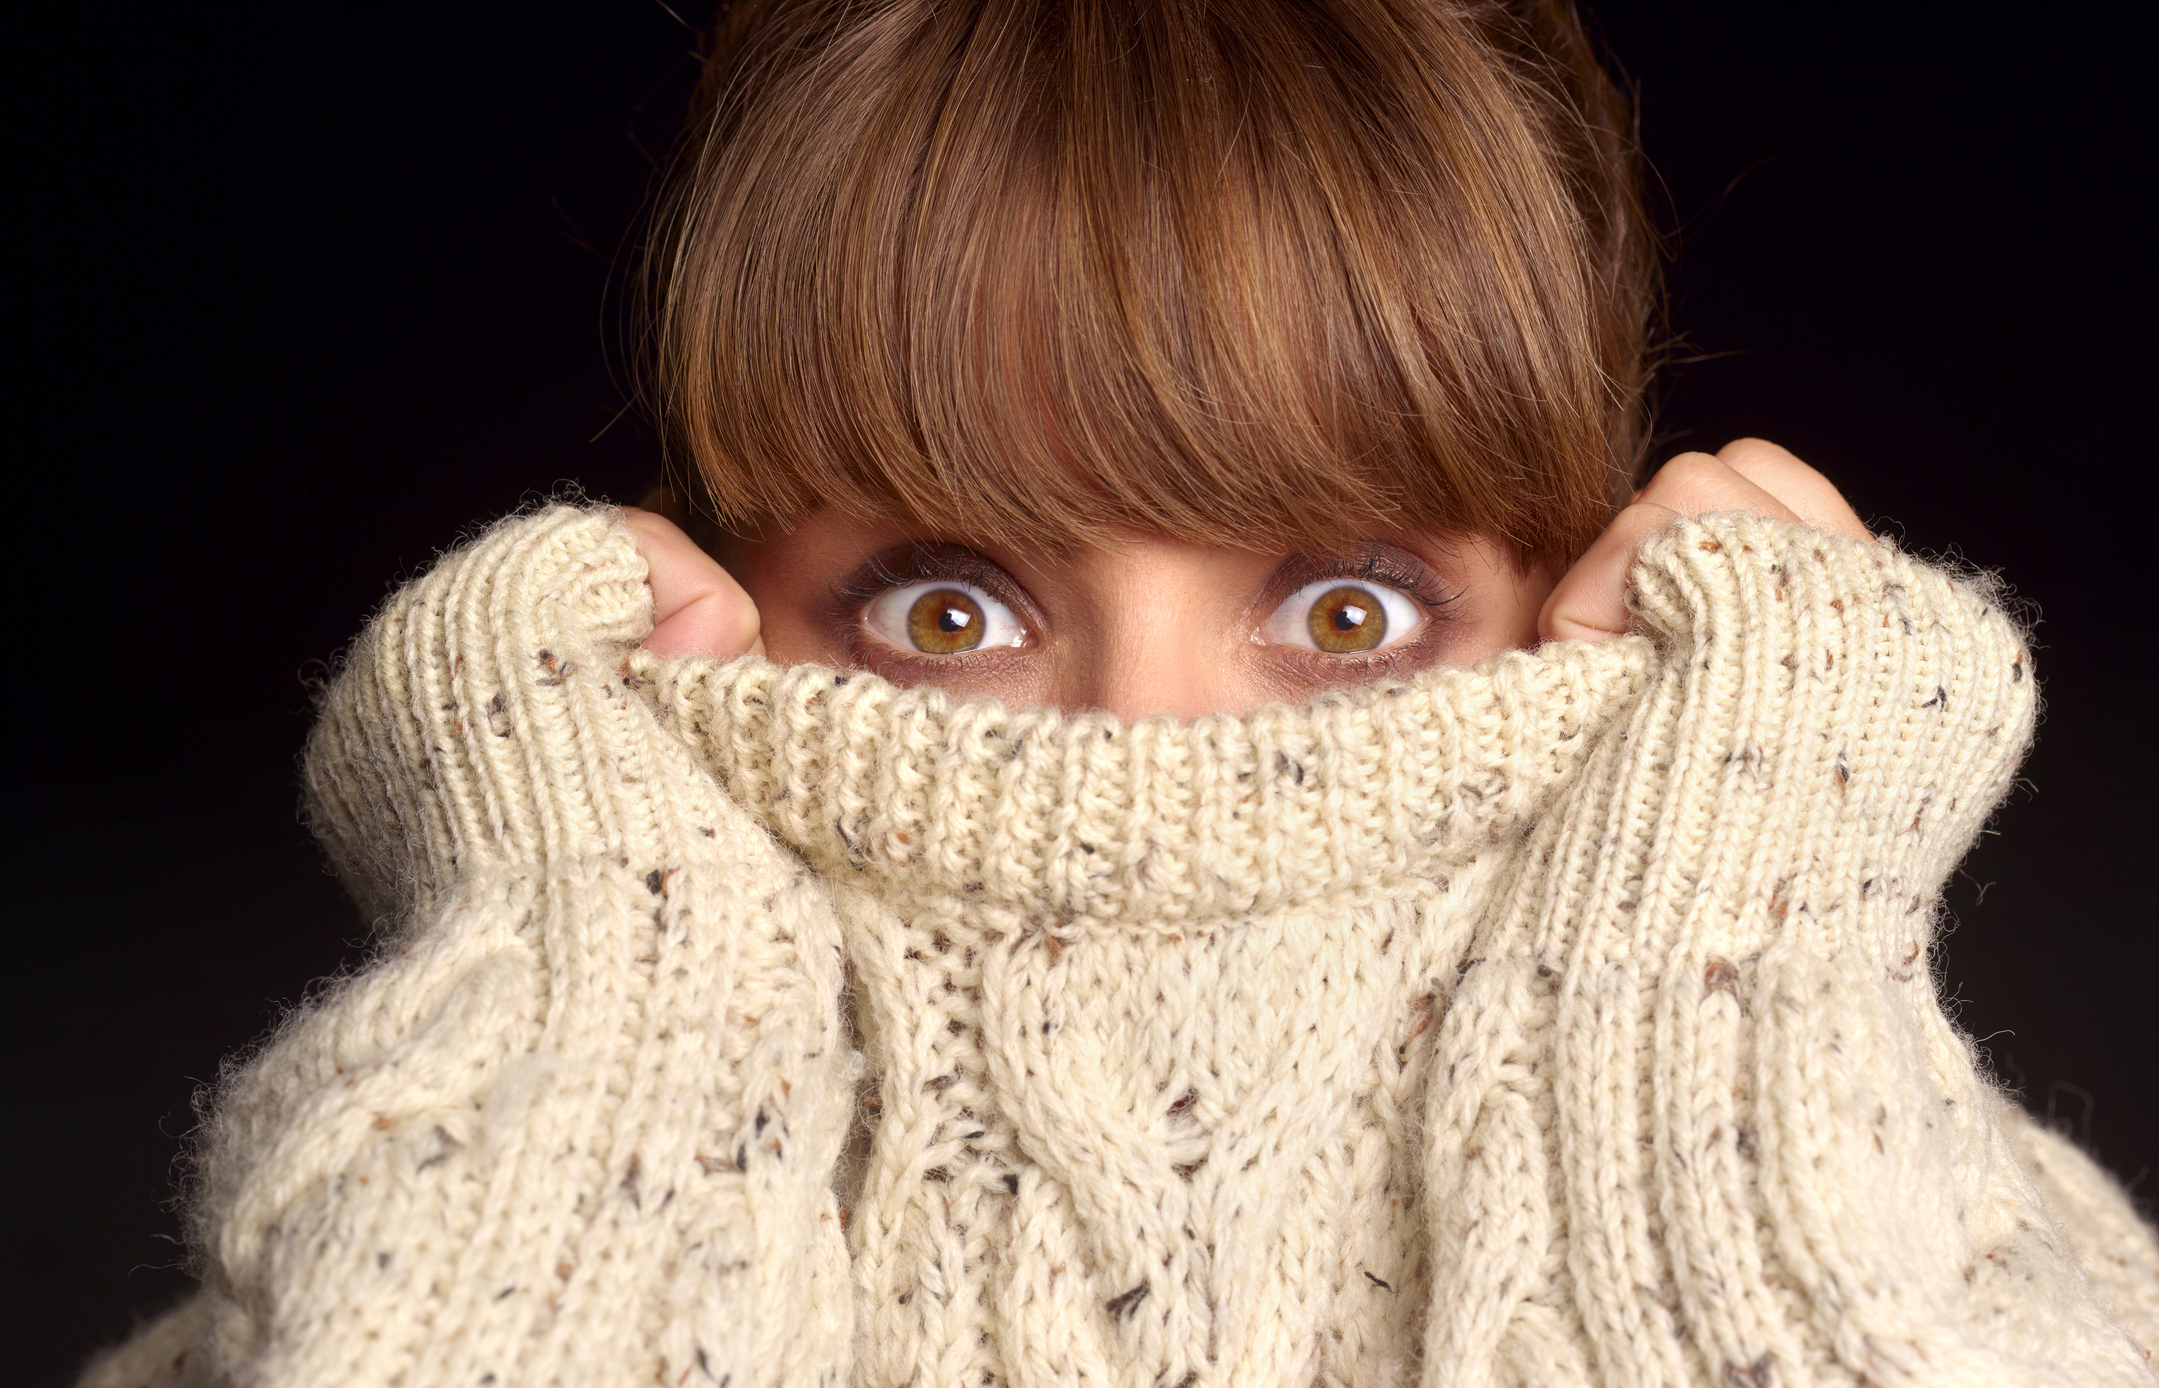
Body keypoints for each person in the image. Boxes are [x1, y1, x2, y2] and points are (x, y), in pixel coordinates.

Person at [81, 1, 2159, 1384]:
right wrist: (582, 919)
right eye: (948, 613)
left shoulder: (2001, 1258)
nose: (1145, 751)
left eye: (1346, 614)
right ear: (707, 610)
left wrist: (1748, 911)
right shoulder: (357, 1266)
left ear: (1564, 607)